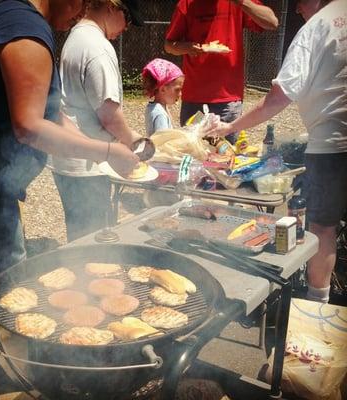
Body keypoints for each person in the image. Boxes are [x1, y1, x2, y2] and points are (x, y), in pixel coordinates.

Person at [0, 0, 139, 301]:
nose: (82, 11)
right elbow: (29, 127)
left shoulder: (15, 16)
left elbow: (53, 114)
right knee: (13, 281)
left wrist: (104, 150)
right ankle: (14, 345)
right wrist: (107, 152)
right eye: (82, 3)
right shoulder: (25, 28)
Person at [208, 0, 347, 303]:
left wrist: (229, 128)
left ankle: (316, 307)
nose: (298, 10)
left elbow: (275, 100)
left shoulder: (317, 27)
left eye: (300, 3)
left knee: (323, 228)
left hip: (332, 147)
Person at [48, 0, 144, 242]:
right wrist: (136, 143)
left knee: (79, 236)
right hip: (89, 165)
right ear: (113, 7)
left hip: (71, 159)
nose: (127, 28)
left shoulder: (76, 36)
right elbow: (109, 116)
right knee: (96, 240)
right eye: (129, 19)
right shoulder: (97, 47)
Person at [164, 0, 279, 143]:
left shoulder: (238, 3)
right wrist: (187, 47)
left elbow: (272, 22)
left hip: (228, 99)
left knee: (226, 154)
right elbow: (169, 45)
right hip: (195, 99)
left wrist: (241, 3)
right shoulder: (187, 4)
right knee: (194, 150)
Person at [141, 58, 184, 136]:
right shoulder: (160, 114)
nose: (180, 94)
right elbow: (162, 143)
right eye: (177, 90)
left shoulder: (153, 107)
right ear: (163, 89)